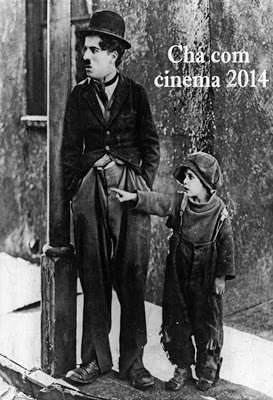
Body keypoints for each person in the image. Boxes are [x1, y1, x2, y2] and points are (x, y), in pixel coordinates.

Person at [62, 10, 160, 389]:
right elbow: (70, 150)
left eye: (93, 51)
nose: (85, 57)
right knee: (94, 275)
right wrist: (78, 189)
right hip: (90, 190)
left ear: (114, 55)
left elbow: (150, 146)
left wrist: (139, 184)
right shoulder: (78, 96)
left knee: (133, 275)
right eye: (85, 50)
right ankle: (93, 361)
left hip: (129, 193)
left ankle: (134, 365)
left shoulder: (136, 94)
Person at [111, 151, 235, 392]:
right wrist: (134, 197)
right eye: (185, 177)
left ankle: (206, 371)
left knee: (207, 323)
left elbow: (227, 245)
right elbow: (160, 202)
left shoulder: (219, 213)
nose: (185, 182)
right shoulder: (180, 203)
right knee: (176, 321)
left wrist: (221, 277)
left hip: (206, 277)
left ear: (207, 184)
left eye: (191, 177)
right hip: (178, 274)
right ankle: (182, 368)